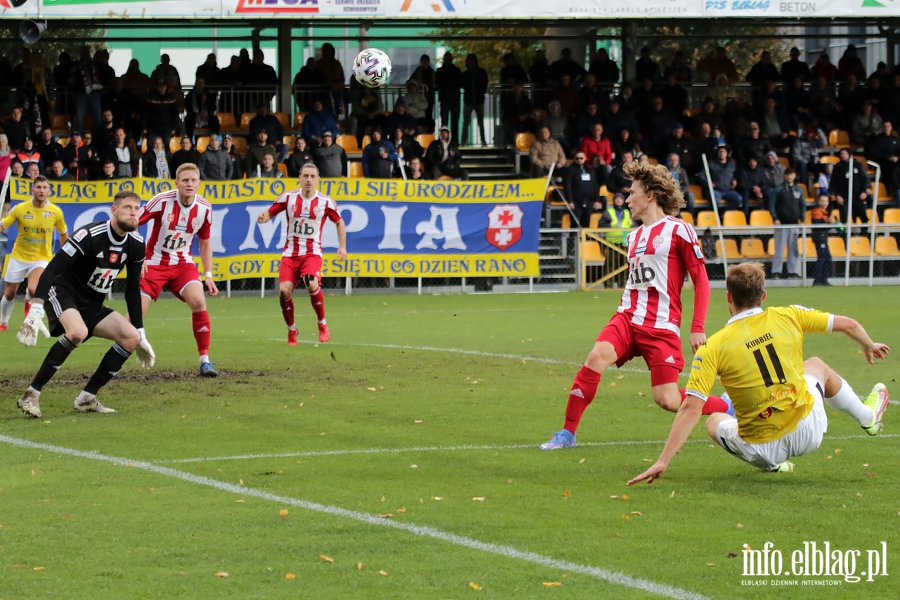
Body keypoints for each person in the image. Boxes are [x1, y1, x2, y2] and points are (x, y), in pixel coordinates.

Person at [628, 262, 889, 483]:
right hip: (808, 431)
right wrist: (869, 345)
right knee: (817, 366)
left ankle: (772, 465)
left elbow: (691, 409)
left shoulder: (712, 347)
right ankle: (868, 418)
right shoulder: (788, 315)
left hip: (760, 448)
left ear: (728, 296)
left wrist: (663, 461)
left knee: (713, 421)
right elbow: (849, 324)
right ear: (763, 296)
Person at [540, 162, 728, 450]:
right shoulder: (633, 237)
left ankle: (726, 407)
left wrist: (697, 327)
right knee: (595, 357)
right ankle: (567, 434)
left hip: (661, 325)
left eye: (633, 193)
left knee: (667, 399)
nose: (627, 199)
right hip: (627, 317)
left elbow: (702, 281)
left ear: (650, 195)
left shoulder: (680, 230)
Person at [14, 190, 154, 418]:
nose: (133, 213)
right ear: (114, 210)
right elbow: (53, 268)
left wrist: (140, 330)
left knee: (130, 338)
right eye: (127, 208)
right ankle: (31, 394)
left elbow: (131, 290)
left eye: (137, 209)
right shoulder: (89, 234)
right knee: (77, 332)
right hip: (63, 292)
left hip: (92, 303)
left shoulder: (137, 243)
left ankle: (87, 398)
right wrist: (36, 305)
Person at [138, 163, 219, 378]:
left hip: (182, 264)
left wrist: (208, 275)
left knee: (199, 302)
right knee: (136, 312)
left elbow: (204, 243)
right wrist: (137, 257)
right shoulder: (161, 201)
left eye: (193, 180)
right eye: (185, 180)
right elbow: (133, 222)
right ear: (177, 183)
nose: (189, 184)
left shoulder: (205, 208)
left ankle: (205, 361)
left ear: (199, 183)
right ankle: (115, 360)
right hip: (154, 263)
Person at [257, 163, 347, 345]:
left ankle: (322, 324)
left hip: (312, 253)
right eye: (305, 176)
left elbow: (339, 222)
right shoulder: (288, 197)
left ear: (318, 179)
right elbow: (271, 211)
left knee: (311, 283)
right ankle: (292, 330)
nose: (308, 180)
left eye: (312, 176)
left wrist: (342, 246)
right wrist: (264, 217)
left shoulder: (325, 202)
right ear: (299, 178)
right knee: (283, 291)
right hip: (290, 254)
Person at [0, 176, 68, 331]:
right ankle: (3, 322)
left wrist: (66, 253)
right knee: (9, 293)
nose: (41, 190)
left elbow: (63, 232)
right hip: (18, 256)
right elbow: (3, 224)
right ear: (33, 190)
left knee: (34, 289)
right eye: (38, 187)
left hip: (41, 258)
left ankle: (29, 300)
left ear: (49, 191)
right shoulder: (20, 209)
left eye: (44, 187)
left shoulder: (55, 212)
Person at [770, 168, 805, 279]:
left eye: (791, 174)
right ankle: (776, 271)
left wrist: (802, 219)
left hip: (794, 223)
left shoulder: (798, 190)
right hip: (782, 224)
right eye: (787, 175)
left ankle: (793, 272)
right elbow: (772, 205)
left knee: (794, 250)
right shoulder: (778, 189)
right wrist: (775, 218)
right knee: (779, 249)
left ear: (794, 175)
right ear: (784, 176)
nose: (789, 177)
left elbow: (802, 205)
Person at [830, 148, 870, 233]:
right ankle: (842, 234)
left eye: (845, 153)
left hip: (858, 196)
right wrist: (837, 195)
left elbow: (865, 179)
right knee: (843, 218)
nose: (843, 155)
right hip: (844, 197)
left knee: (863, 215)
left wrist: (864, 191)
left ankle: (865, 233)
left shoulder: (858, 165)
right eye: (841, 154)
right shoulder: (837, 167)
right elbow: (833, 183)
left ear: (850, 155)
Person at [562, 151, 602, 227]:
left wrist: (596, 200)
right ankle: (573, 239)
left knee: (586, 222)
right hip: (576, 202)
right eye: (577, 158)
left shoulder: (590, 170)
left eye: (581, 158)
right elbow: (568, 186)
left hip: (589, 201)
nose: (579, 160)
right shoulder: (570, 170)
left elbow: (595, 185)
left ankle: (585, 238)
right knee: (574, 223)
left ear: (585, 159)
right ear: (574, 159)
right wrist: (570, 201)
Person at [436, 52, 463, 142]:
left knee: (448, 122)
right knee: (448, 122)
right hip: (449, 98)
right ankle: (450, 140)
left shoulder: (440, 71)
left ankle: (450, 140)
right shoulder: (456, 70)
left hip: (448, 98)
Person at [810, 193, 833, 287]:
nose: (824, 203)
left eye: (826, 201)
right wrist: (829, 223)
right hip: (819, 238)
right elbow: (818, 226)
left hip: (823, 238)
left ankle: (823, 279)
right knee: (822, 259)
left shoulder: (824, 212)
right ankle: (818, 279)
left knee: (827, 258)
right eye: (822, 201)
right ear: (819, 201)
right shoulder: (817, 212)